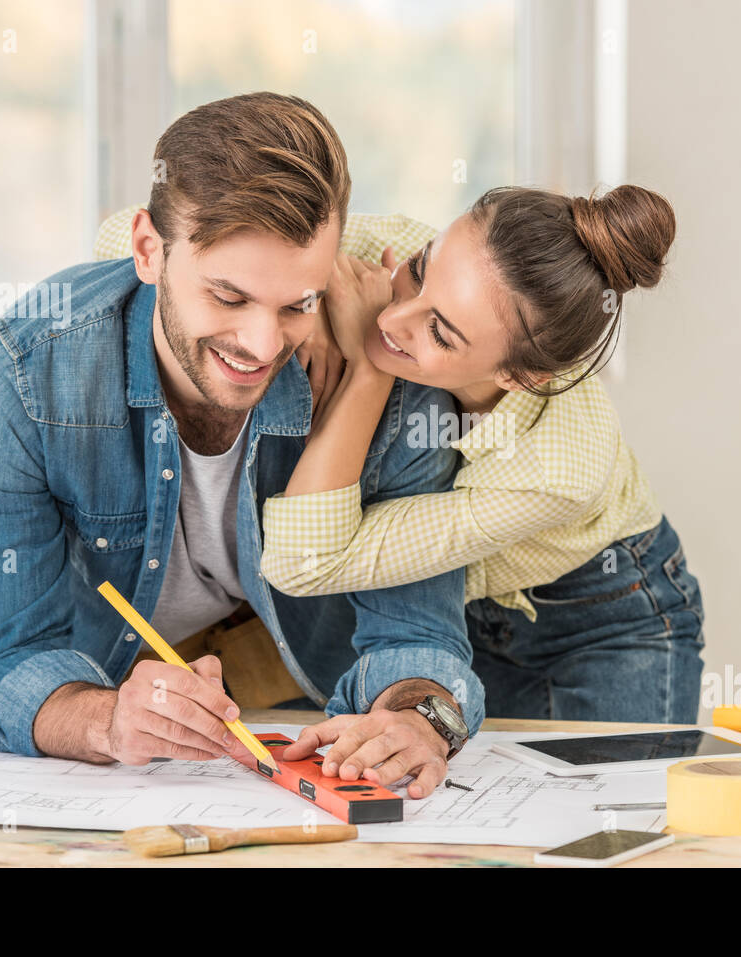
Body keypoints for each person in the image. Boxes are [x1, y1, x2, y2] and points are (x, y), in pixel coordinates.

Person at [0, 93, 484, 799]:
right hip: (103, 713)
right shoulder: (29, 370)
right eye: (228, 296)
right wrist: (107, 721)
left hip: (303, 713)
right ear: (148, 250)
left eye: (297, 304)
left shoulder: (393, 380)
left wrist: (422, 720)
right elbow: (8, 659)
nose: (261, 345)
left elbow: (417, 636)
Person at [259, 184, 706, 723]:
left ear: (519, 376)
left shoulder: (557, 472)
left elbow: (301, 564)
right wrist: (308, 289)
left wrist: (368, 368)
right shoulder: (403, 250)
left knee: (613, 802)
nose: (389, 319)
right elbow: (165, 239)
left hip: (603, 620)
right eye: (420, 274)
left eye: (440, 333)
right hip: (459, 620)